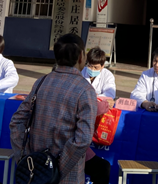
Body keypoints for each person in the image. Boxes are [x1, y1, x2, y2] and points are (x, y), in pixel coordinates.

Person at [10, 33, 97, 184]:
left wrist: (24, 157)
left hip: (36, 172)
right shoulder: (85, 90)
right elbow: (83, 139)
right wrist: (57, 168)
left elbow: (17, 121)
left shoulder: (41, 82)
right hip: (67, 176)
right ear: (81, 57)